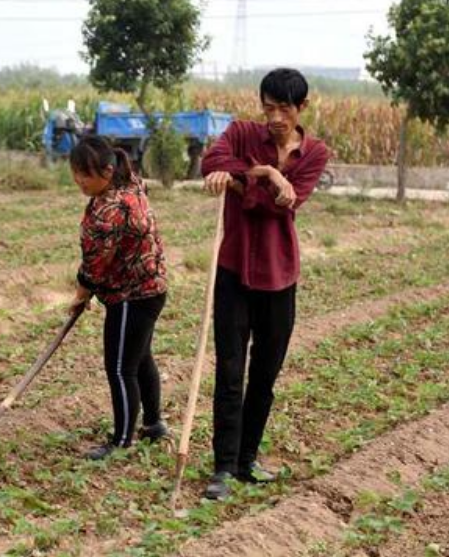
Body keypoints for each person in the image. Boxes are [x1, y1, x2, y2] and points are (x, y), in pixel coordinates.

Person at [200, 68, 331, 499]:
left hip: (279, 276)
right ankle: (222, 468)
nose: (274, 117)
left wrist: (256, 180)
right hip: (234, 272)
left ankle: (247, 460)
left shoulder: (314, 154)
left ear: (301, 109)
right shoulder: (240, 132)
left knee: (264, 376)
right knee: (230, 372)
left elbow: (281, 209)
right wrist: (263, 175)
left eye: (284, 109)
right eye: (268, 107)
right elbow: (211, 161)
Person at [68, 135, 169, 460]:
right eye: (76, 173)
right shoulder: (131, 185)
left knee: (120, 367)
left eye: (86, 174)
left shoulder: (109, 208)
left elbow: (95, 265)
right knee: (140, 360)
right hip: (152, 289)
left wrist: (81, 295)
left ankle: (122, 440)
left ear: (108, 171)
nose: (79, 181)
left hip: (130, 295)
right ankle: (153, 425)